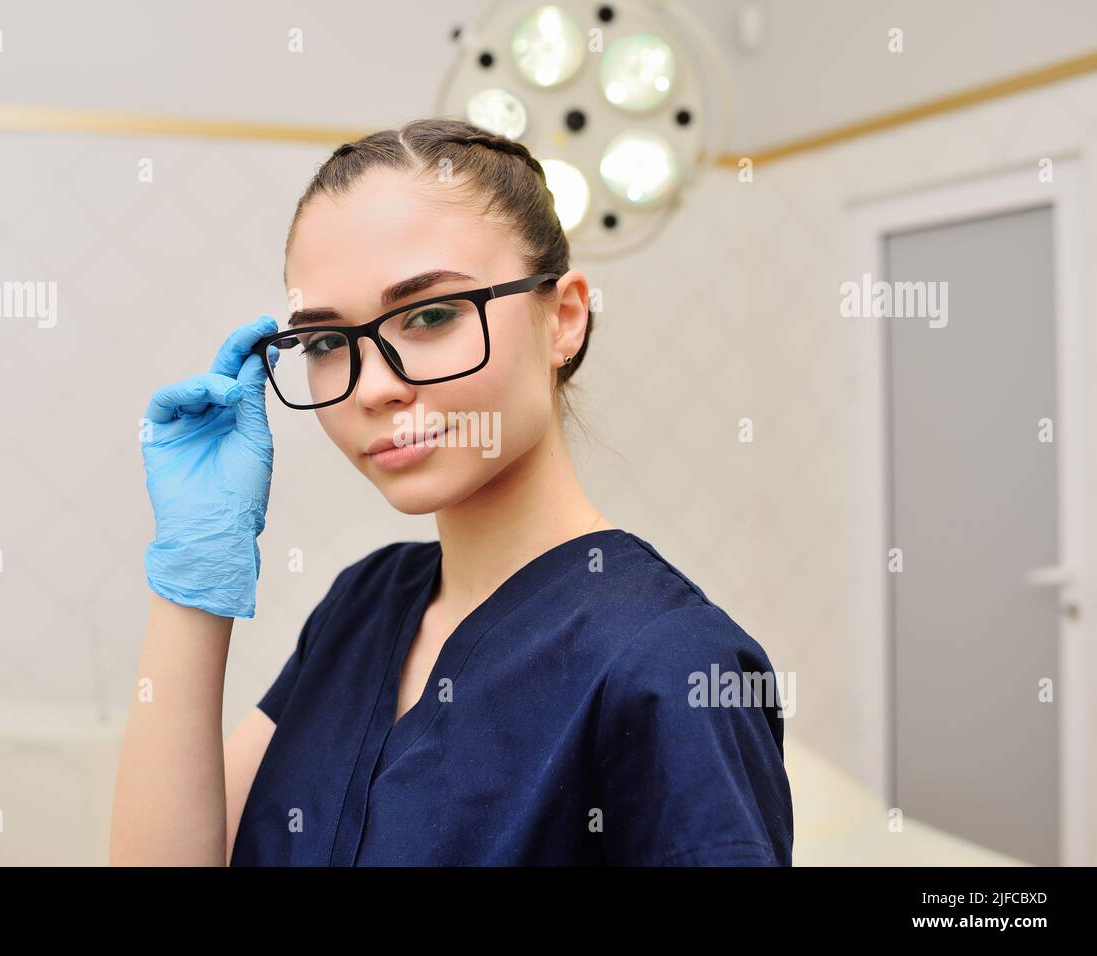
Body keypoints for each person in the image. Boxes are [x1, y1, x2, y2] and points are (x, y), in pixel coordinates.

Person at [110, 117, 793, 867]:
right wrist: (193, 587)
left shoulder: (672, 664)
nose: (372, 386)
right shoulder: (363, 606)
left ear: (563, 318)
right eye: (327, 343)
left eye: (431, 315)